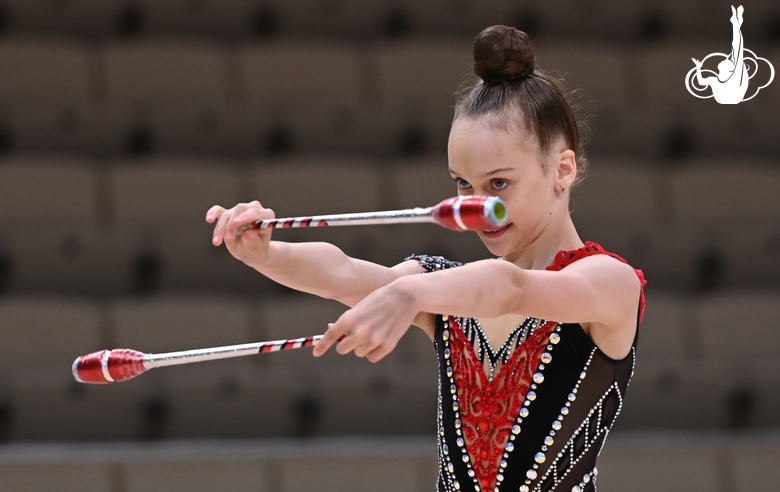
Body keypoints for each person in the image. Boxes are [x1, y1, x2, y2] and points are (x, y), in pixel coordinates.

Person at [207, 25, 646, 492]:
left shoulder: (609, 282)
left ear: (562, 169)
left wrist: (410, 291)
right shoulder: (443, 288)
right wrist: (266, 253)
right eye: (462, 184)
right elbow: (343, 273)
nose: (475, 207)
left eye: (498, 184)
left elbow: (512, 288)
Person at [692, 5, 748, 104]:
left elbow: (738, 49)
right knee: (737, 52)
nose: (725, 59)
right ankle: (736, 23)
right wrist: (698, 67)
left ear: (729, 69)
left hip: (733, 95)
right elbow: (701, 82)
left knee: (737, 51)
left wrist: (736, 26)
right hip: (728, 97)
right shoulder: (715, 80)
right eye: (728, 60)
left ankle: (736, 23)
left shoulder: (733, 78)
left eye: (727, 61)